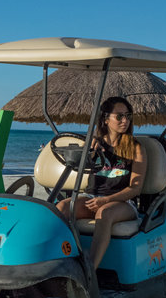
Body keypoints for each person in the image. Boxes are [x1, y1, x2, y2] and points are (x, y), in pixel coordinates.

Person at [55, 96, 147, 270]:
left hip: (122, 202)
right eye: (119, 116)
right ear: (105, 119)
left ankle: (90, 270)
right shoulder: (94, 144)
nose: (125, 120)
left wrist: (106, 200)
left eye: (128, 116)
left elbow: (136, 188)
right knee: (62, 207)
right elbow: (78, 166)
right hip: (92, 197)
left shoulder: (135, 147)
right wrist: (90, 148)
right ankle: (60, 261)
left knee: (104, 213)